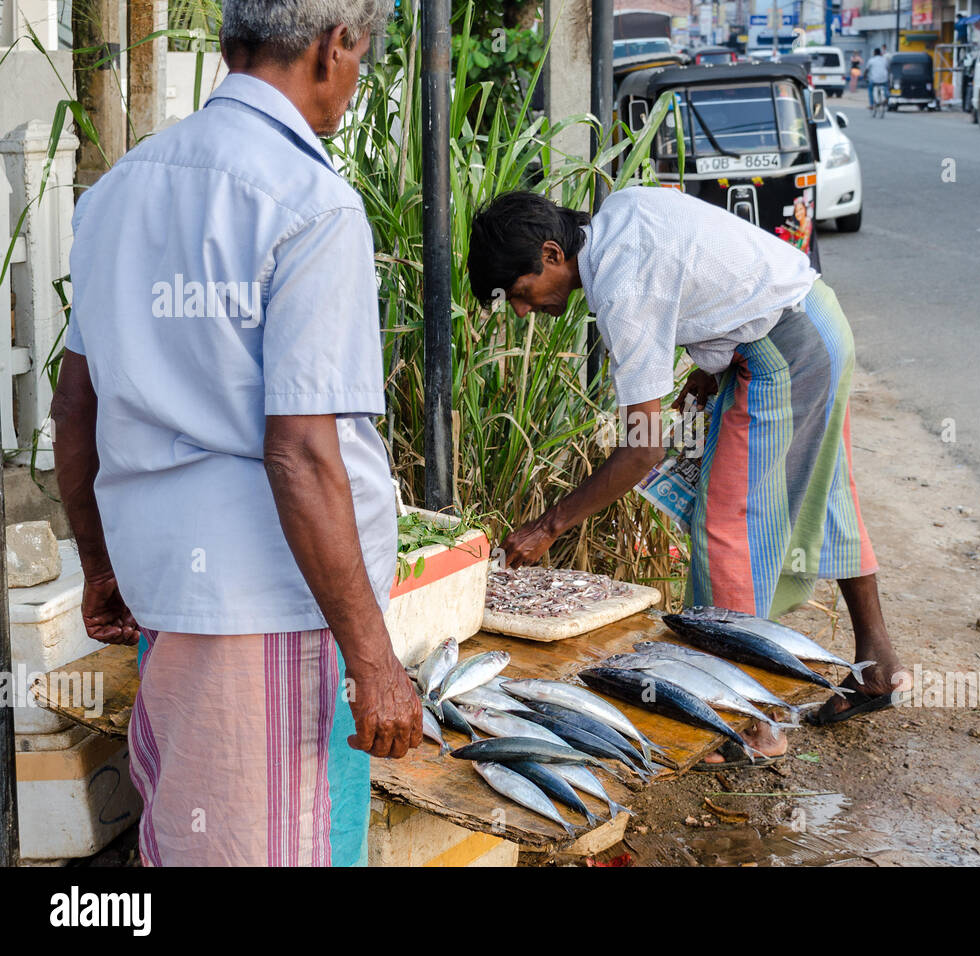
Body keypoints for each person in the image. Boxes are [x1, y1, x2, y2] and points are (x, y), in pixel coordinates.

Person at [50, 0, 422, 866]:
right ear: (337, 47)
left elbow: (77, 408)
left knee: (190, 830)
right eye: (361, 60)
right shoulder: (310, 202)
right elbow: (301, 452)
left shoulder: (116, 192)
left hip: (169, 590)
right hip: (270, 607)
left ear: (230, 46)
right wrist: (376, 662)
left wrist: (102, 568)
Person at [467, 188, 912, 766]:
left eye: (522, 294)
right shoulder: (621, 213)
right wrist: (712, 360)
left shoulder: (621, 289)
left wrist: (549, 525)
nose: (525, 311)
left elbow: (643, 450)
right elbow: (712, 269)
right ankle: (878, 667)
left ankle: (753, 725)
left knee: (728, 527)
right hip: (819, 321)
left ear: (552, 254)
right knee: (830, 495)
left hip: (785, 352)